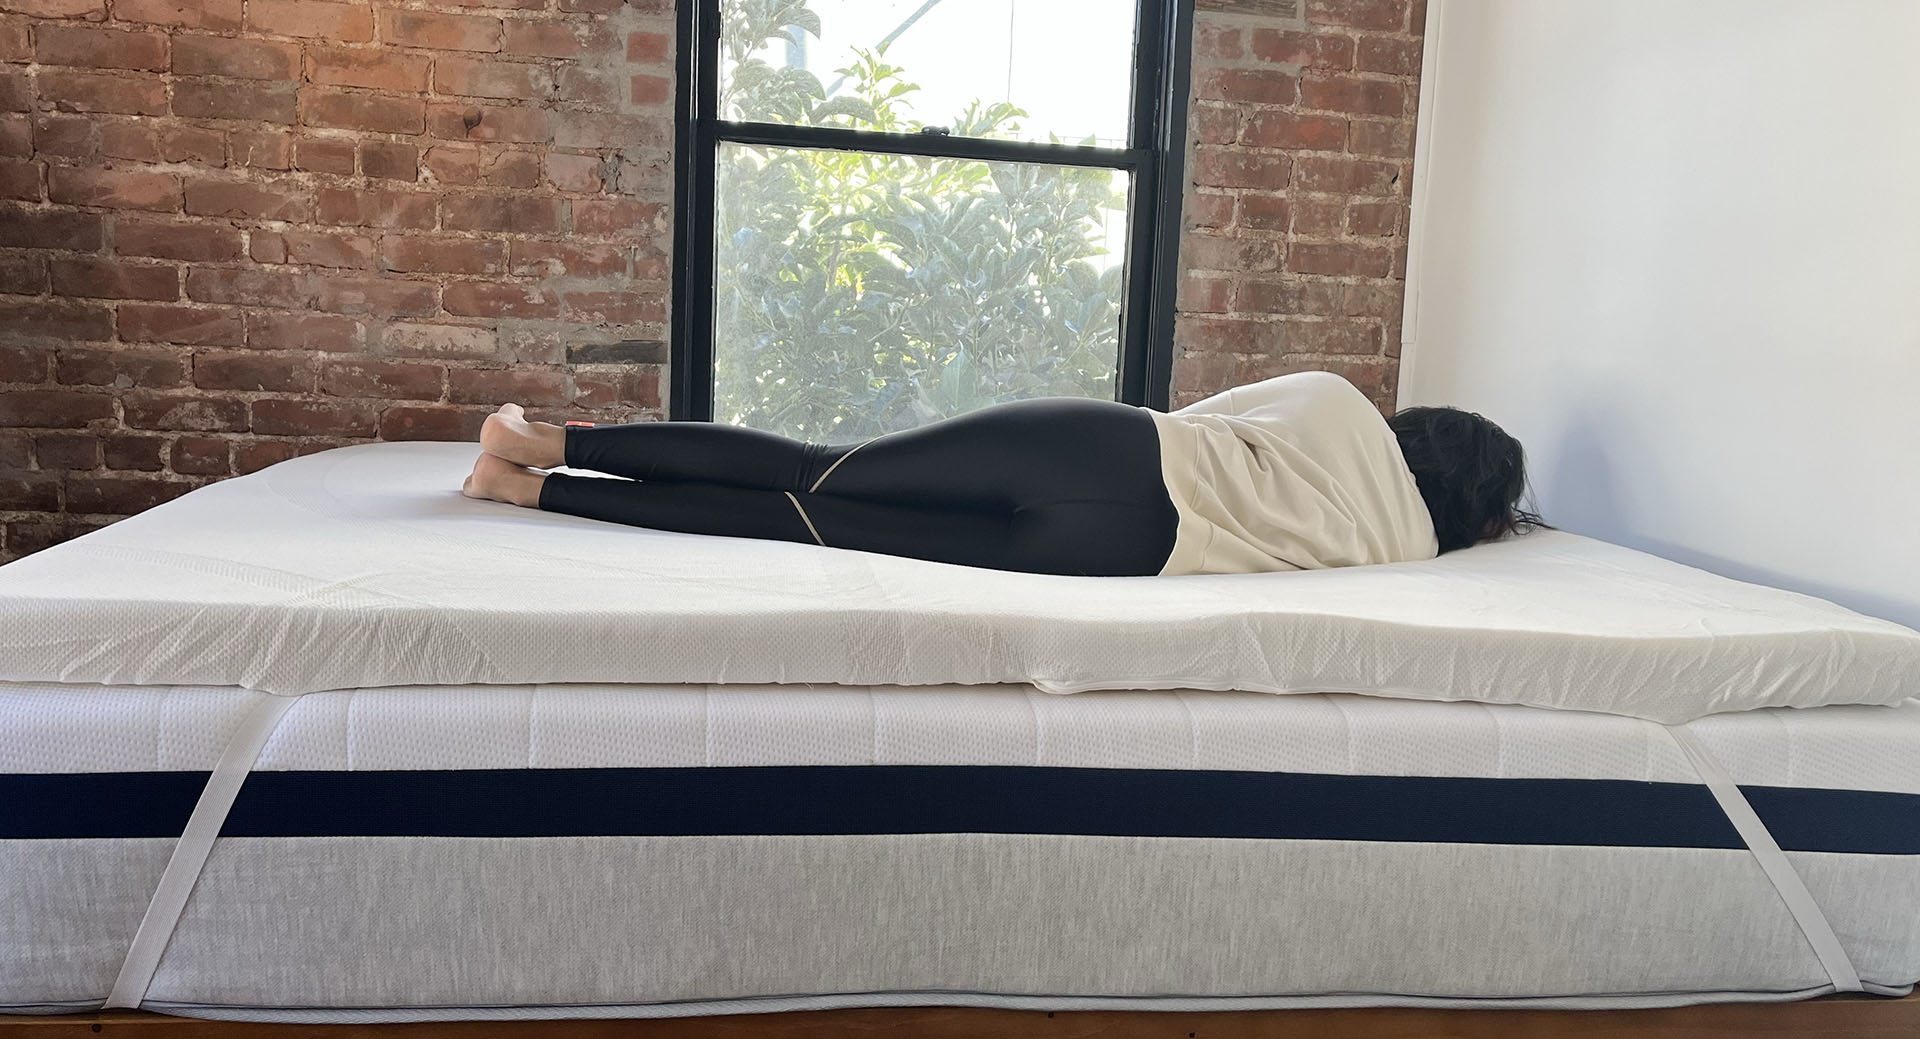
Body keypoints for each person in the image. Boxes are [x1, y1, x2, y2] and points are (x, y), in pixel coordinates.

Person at [462, 370, 1538, 576]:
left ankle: (542, 442)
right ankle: (524, 490)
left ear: (1419, 430)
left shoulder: (1339, 403)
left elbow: (1197, 420)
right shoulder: (1406, 553)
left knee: (817, 469)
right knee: (806, 523)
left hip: (1110, 449)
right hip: (1120, 550)